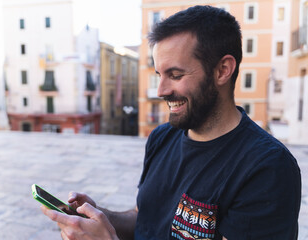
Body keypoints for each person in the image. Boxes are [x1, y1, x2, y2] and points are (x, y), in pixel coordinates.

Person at [41, 5, 301, 239]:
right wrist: (100, 219)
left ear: (223, 70)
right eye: (159, 75)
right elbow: (144, 217)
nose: (161, 90)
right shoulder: (161, 138)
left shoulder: (267, 169)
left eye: (175, 75)